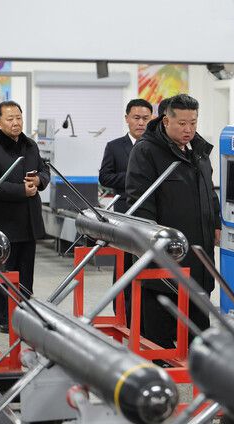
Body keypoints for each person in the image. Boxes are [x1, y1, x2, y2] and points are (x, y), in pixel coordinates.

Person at [126, 93, 221, 349]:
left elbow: (210, 191)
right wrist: (154, 243)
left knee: (198, 321)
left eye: (193, 122)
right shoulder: (146, 151)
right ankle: (160, 359)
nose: (188, 129)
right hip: (165, 255)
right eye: (182, 123)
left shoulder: (199, 151)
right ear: (166, 121)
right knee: (160, 322)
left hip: (199, 252)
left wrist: (216, 223)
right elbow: (140, 203)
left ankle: (198, 356)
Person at [0, 100, 49, 334]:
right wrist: (21, 191)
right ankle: (3, 318)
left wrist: (39, 180)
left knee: (26, 273)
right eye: (10, 119)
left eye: (19, 117)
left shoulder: (30, 145)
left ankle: (25, 314)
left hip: (29, 221)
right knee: (4, 273)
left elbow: (44, 170)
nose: (16, 122)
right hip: (4, 223)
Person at [99, 99, 152, 327]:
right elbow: (105, 177)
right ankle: (123, 314)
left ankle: (145, 317)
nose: (141, 123)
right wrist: (133, 177)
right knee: (124, 266)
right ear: (127, 119)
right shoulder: (114, 146)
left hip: (151, 216)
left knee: (149, 267)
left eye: (145, 118)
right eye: (136, 118)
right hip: (124, 213)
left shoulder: (156, 147)